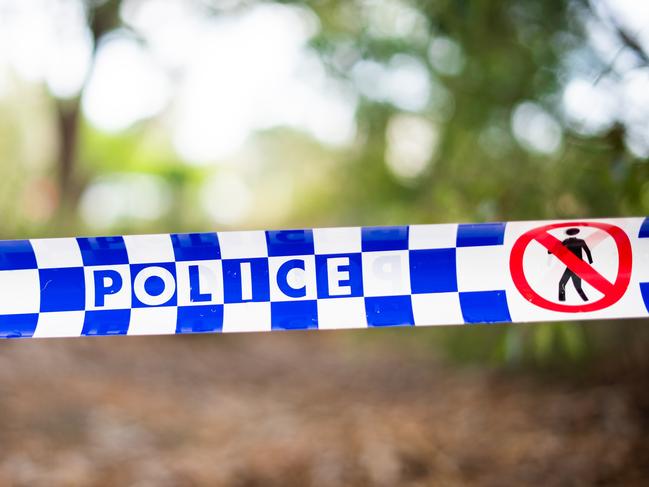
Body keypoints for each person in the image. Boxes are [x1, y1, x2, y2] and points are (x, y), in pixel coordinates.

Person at [548, 228, 593, 302]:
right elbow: (588, 251)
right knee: (577, 286)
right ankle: (585, 300)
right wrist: (590, 262)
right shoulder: (580, 241)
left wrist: (550, 251)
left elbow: (555, 249)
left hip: (572, 265)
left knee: (563, 283)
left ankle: (562, 300)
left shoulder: (566, 241)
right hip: (577, 265)